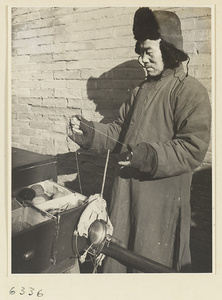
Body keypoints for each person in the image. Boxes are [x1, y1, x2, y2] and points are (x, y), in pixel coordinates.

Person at [69, 7, 211, 272]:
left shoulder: (190, 91)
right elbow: (120, 133)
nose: (141, 60)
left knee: (148, 265)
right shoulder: (140, 91)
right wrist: (90, 134)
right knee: (119, 259)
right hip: (125, 195)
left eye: (149, 52)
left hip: (158, 201)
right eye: (140, 52)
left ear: (168, 51)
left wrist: (146, 155)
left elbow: (192, 149)